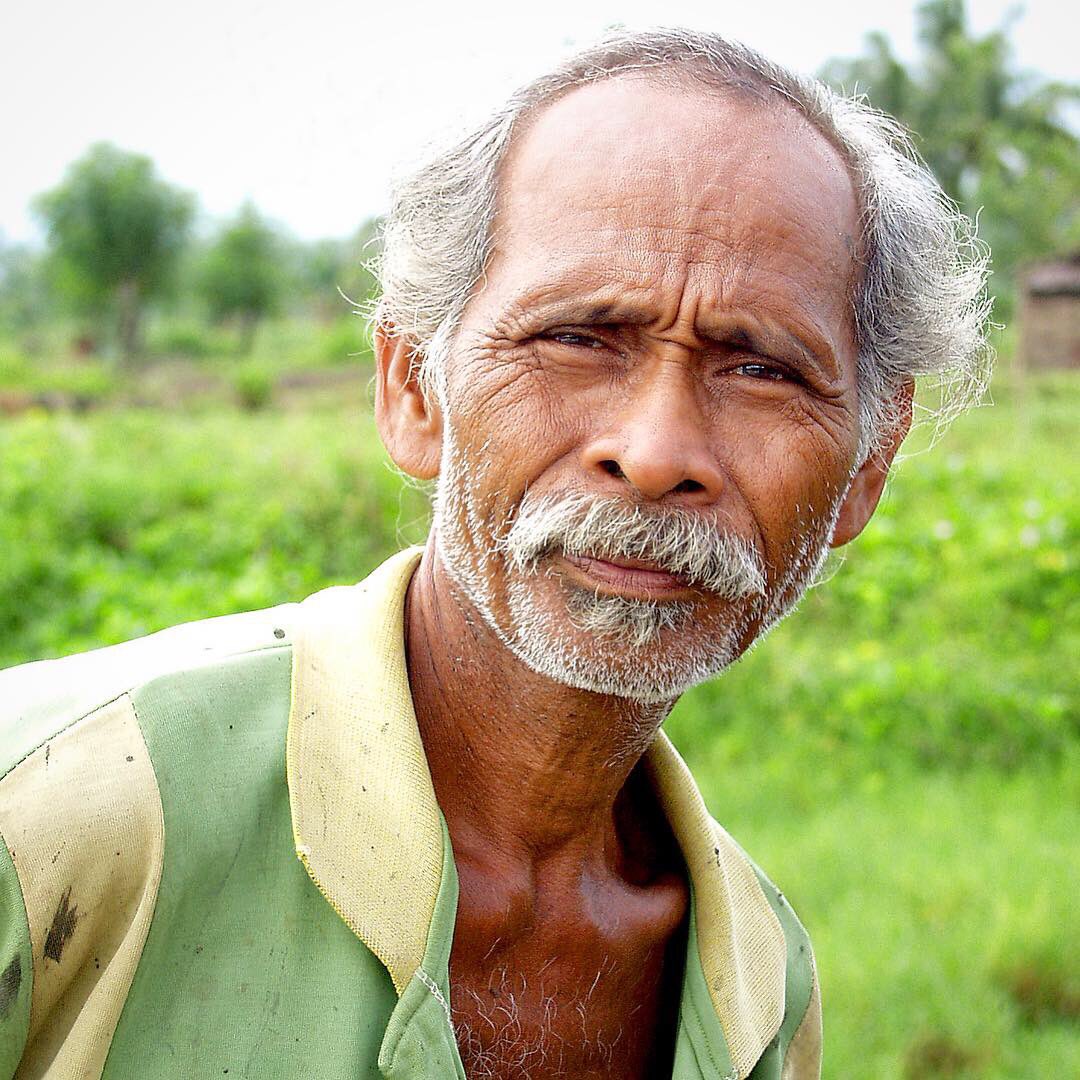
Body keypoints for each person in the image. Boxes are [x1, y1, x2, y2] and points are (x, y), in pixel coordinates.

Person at [0, 27, 988, 1080]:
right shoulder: (49, 815)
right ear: (413, 387)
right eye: (578, 337)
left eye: (763, 369)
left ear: (869, 465)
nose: (655, 455)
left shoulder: (758, 989)